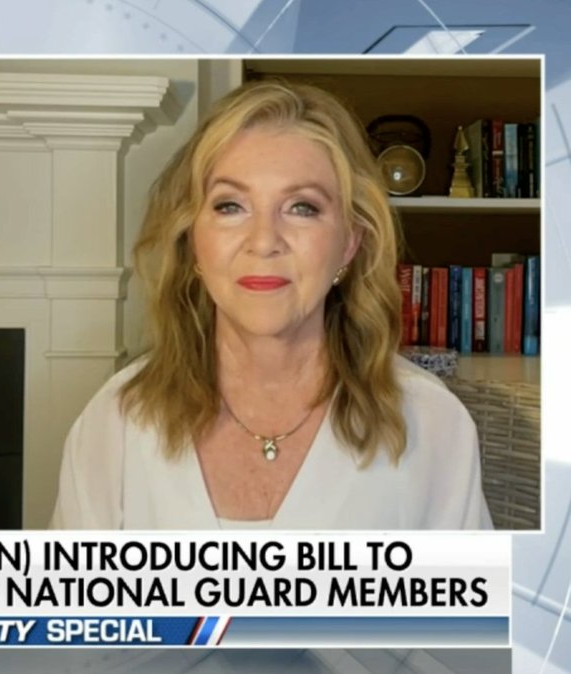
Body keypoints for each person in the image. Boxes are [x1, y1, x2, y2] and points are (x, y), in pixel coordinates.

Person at [50, 80, 492, 530]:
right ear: (192, 240)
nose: (263, 242)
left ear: (349, 243)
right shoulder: (117, 421)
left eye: (302, 207)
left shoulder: (431, 424)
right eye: (230, 206)